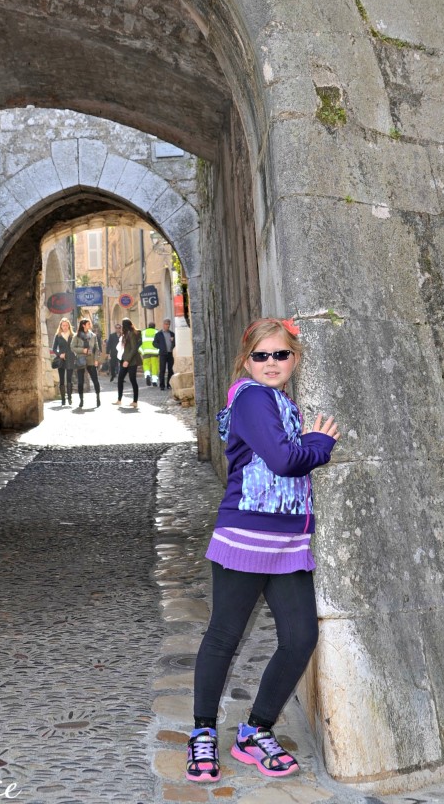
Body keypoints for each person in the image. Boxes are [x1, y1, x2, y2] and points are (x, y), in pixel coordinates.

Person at [186, 317, 339, 784]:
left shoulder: (280, 401)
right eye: (261, 355)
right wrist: (319, 444)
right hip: (247, 538)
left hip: (288, 541)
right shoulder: (252, 398)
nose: (272, 363)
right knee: (224, 636)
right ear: (246, 360)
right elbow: (284, 459)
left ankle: (255, 730)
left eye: (281, 354)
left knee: (299, 638)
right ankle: (203, 734)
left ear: (295, 357)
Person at [71, 318, 101, 409]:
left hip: (91, 360)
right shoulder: (76, 336)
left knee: (95, 380)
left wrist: (96, 360)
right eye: (88, 324)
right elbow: (72, 347)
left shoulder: (93, 335)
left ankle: (98, 398)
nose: (90, 325)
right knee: (80, 382)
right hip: (81, 360)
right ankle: (81, 400)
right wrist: (82, 350)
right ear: (83, 325)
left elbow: (97, 348)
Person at [112, 318, 141, 409]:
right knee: (120, 379)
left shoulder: (132, 334)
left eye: (122, 325)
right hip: (124, 360)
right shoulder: (126, 334)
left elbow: (133, 349)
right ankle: (119, 399)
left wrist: (127, 360)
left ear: (125, 325)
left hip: (131, 361)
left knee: (133, 380)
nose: (121, 327)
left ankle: (135, 401)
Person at [51, 317, 74, 406]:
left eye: (66, 325)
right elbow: (54, 349)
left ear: (69, 326)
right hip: (61, 360)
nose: (65, 327)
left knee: (69, 379)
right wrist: (59, 354)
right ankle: (63, 399)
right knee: (61, 379)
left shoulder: (73, 335)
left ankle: (70, 398)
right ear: (60, 326)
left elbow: (75, 347)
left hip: (70, 359)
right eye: (63, 325)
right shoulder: (58, 336)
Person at [153, 318, 176, 390]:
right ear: (163, 325)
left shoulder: (172, 334)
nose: (167, 325)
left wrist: (173, 341)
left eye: (168, 324)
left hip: (170, 354)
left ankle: (169, 384)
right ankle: (162, 385)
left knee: (170, 370)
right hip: (162, 354)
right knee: (162, 370)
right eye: (166, 324)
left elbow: (175, 343)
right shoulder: (159, 334)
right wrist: (161, 347)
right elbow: (154, 343)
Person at [140, 322, 159, 386]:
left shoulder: (143, 332)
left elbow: (139, 343)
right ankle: (154, 381)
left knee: (146, 365)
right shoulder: (157, 332)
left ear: (148, 326)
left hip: (146, 352)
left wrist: (141, 351)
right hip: (154, 352)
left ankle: (147, 374)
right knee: (154, 366)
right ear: (154, 326)